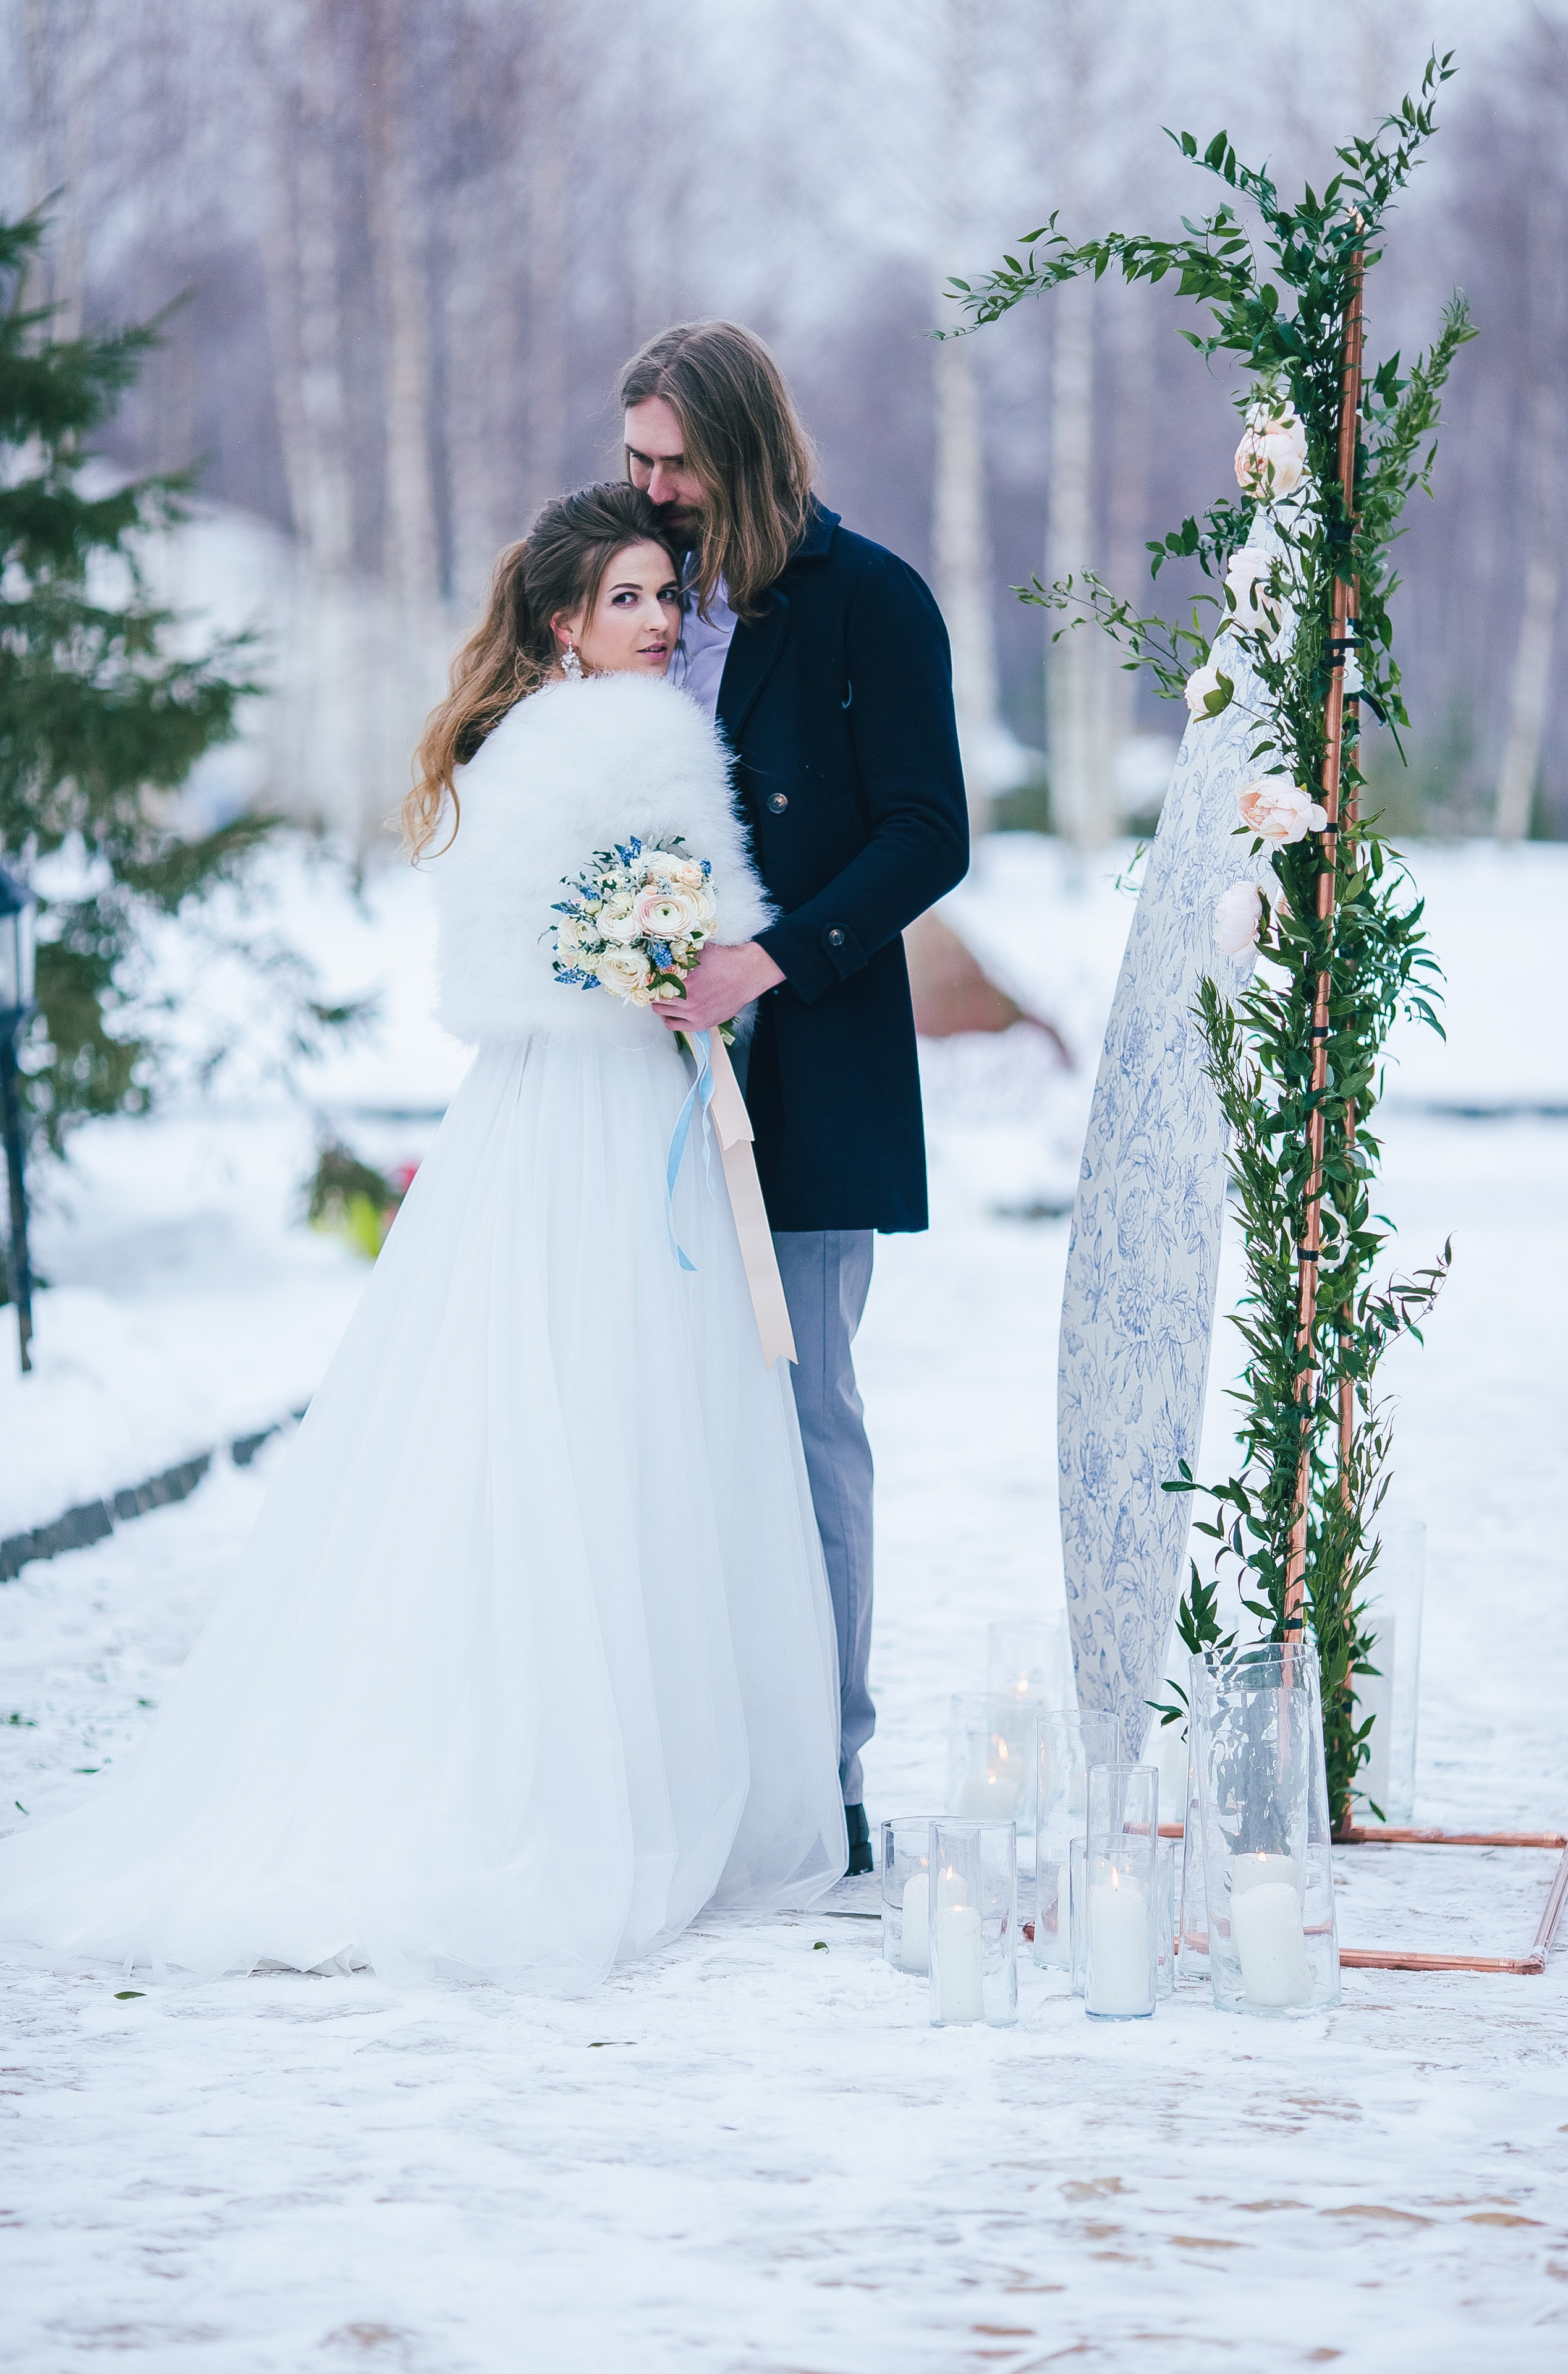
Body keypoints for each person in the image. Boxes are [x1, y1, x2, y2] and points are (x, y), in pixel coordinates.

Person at [0, 483, 847, 1993]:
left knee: (505, 1416)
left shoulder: (504, 746)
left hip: (522, 1112)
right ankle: (598, 1786)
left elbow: (501, 940)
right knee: (622, 1420)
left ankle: (504, 1749)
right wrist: (676, 962)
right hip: (609, 1105)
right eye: (630, 602)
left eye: (667, 597)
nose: (661, 625)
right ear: (563, 624)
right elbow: (698, 925)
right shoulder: (642, 737)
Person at [619, 321, 971, 1873]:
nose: (648, 486)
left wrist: (775, 959)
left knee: (804, 1412)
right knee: (652, 1423)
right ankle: (676, 1755)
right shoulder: (627, 597)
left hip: (806, 1074)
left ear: (747, 451)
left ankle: (822, 1770)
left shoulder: (868, 602)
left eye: (674, 462)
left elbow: (925, 833)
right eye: (635, 458)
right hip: (628, 1089)